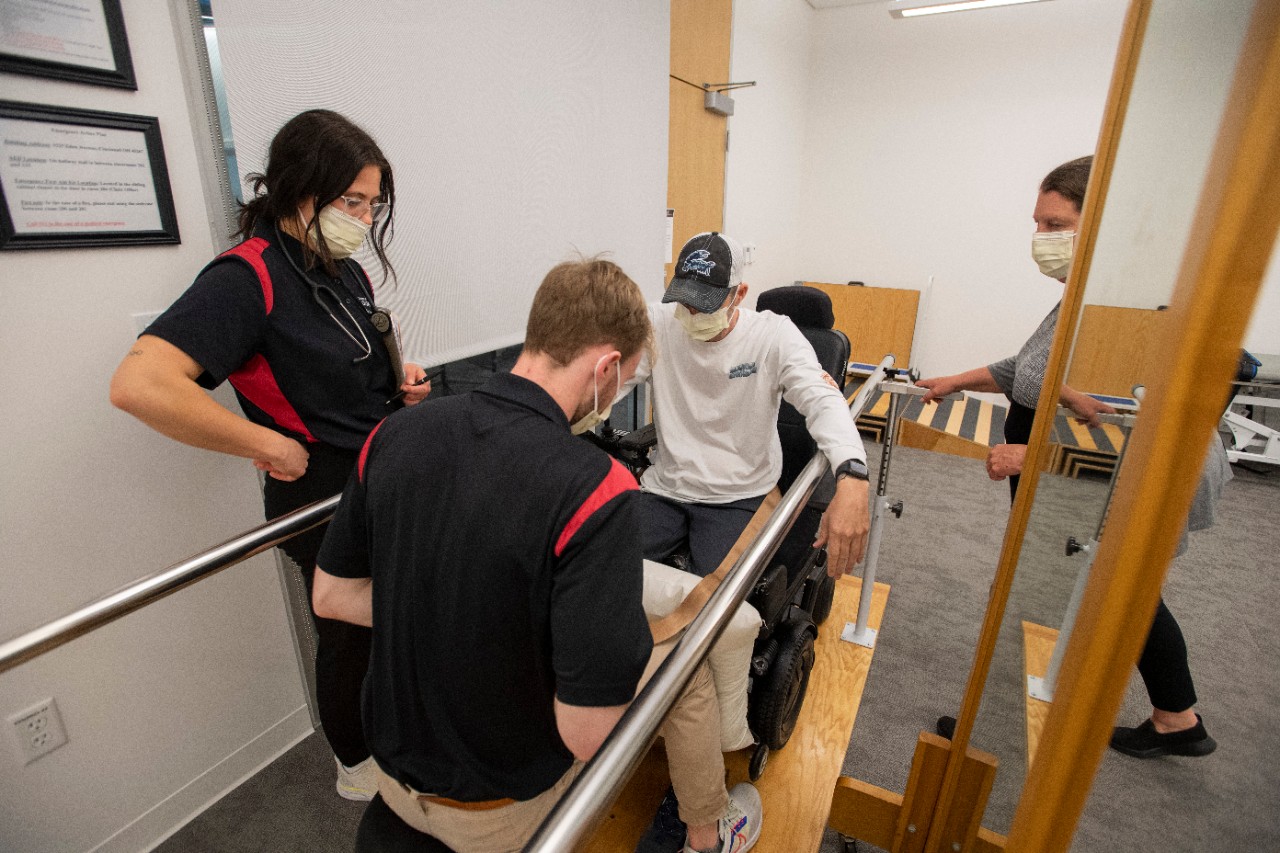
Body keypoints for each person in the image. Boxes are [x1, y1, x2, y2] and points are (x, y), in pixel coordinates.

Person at [312, 257, 762, 853]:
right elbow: (585, 734)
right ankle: (708, 836)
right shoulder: (596, 489)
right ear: (604, 368)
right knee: (686, 665)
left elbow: (333, 594)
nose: (615, 393)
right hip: (500, 811)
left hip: (395, 782)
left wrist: (458, 617)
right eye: (623, 382)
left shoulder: (395, 435)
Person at [109, 109, 430, 800]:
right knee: (348, 637)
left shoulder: (343, 271)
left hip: (377, 478)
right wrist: (263, 441)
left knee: (393, 625)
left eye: (373, 204)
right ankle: (359, 772)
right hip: (318, 499)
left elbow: (347, 370)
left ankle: (401, 740)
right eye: (352, 202)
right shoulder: (245, 276)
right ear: (299, 190)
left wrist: (402, 384)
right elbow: (139, 384)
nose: (365, 219)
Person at [917, 156, 1217, 756]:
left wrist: (1034, 458)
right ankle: (1178, 718)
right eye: (1038, 225)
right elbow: (1028, 370)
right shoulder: (1082, 296)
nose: (1041, 240)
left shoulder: (1120, 312)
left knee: (1041, 596)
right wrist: (956, 379)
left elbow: (1126, 425)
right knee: (1120, 589)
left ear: (1097, 224)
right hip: (1068, 475)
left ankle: (989, 725)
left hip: (1080, 478)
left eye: (1055, 225)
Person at [627, 231, 872, 580]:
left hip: (739, 494)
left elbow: (823, 400)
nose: (692, 313)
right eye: (685, 301)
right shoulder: (658, 323)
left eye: (706, 304)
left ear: (739, 294)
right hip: (665, 488)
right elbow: (605, 379)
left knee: (711, 603)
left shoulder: (773, 336)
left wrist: (853, 475)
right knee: (609, 569)